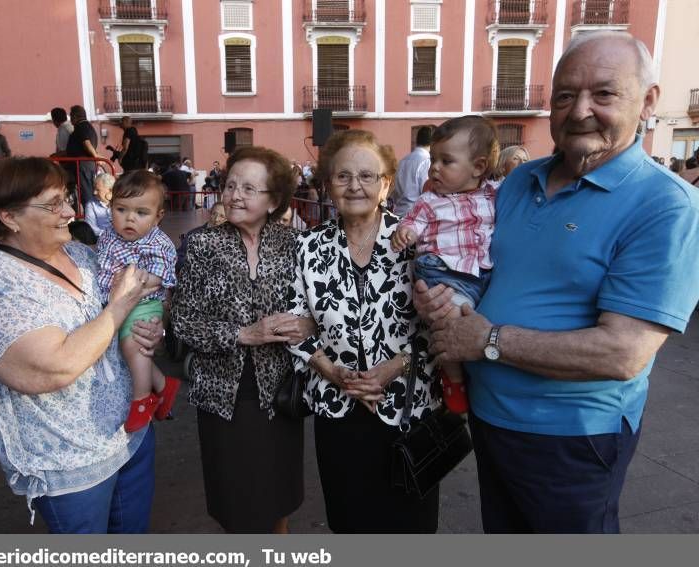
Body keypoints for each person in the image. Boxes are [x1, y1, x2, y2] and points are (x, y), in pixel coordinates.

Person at [415, 32, 699, 534]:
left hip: (570, 438)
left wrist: (488, 341)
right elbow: (472, 255)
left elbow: (622, 353)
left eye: (604, 94)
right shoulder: (521, 182)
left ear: (649, 101)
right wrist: (438, 291)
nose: (580, 110)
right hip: (491, 418)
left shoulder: (666, 205)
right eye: (565, 95)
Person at [0, 157, 164, 533]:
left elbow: (119, 327)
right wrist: (121, 307)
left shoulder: (83, 255)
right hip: (72, 467)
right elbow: (53, 367)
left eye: (67, 198)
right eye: (53, 204)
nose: (70, 210)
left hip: (129, 438)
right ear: (9, 217)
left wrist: (148, 333)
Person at [287, 129, 439, 533]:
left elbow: (438, 323)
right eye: (342, 176)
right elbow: (295, 324)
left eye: (367, 176)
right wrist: (333, 371)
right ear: (327, 185)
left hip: (409, 406)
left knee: (411, 527)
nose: (354, 185)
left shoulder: (415, 242)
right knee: (351, 520)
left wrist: (395, 366)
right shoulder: (308, 247)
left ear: (386, 184)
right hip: (338, 410)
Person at [172, 146, 312, 534]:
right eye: (231, 185)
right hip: (222, 395)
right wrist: (241, 334)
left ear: (274, 200)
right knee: (235, 504)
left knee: (279, 498)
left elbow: (317, 309)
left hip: (279, 393)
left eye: (250, 188)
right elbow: (183, 321)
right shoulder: (202, 245)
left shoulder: (295, 245)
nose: (235, 194)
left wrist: (308, 326)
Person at [391, 116, 499, 414]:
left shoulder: (492, 194)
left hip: (479, 275)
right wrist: (406, 234)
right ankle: (453, 378)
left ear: (478, 167)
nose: (434, 167)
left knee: (473, 324)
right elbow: (413, 222)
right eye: (434, 159)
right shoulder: (429, 200)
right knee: (450, 320)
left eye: (446, 161)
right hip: (443, 272)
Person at [97, 170, 177, 433]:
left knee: (134, 346)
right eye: (121, 209)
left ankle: (142, 399)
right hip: (115, 301)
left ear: (158, 217)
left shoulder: (157, 242)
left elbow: (159, 277)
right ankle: (164, 386)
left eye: (141, 213)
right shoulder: (108, 236)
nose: (130, 218)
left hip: (143, 302)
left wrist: (129, 285)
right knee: (124, 349)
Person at [175, 201, 226, 273]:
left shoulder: (231, 238)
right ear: (210, 214)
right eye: (214, 214)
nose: (216, 219)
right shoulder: (194, 234)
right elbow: (178, 257)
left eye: (222, 216)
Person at [392, 126, 433, 216]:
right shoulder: (427, 161)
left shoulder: (403, 160)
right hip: (415, 216)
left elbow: (394, 191)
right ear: (433, 142)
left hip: (398, 212)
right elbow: (426, 193)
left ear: (417, 140)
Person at [66, 105, 99, 212]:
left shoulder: (81, 127)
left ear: (75, 116)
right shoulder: (87, 126)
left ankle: (91, 221)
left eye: (71, 116)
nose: (70, 119)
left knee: (87, 194)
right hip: (85, 165)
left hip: (83, 166)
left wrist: (96, 157)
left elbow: (87, 143)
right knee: (86, 193)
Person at [84, 173, 115, 237]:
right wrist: (110, 235)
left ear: (110, 190)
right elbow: (92, 228)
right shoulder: (91, 205)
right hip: (101, 239)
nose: (94, 193)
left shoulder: (121, 203)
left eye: (98, 190)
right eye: (94, 189)